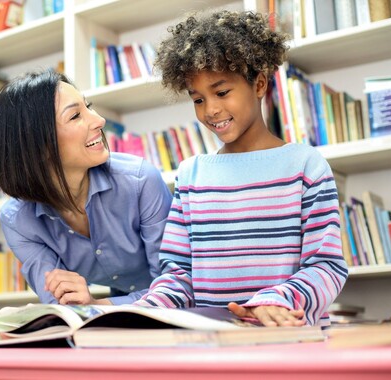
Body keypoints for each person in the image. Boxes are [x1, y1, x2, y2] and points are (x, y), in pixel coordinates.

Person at [134, 10, 348, 327]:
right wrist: (146, 308)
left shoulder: (305, 166)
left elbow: (326, 265)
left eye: (221, 92)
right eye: (198, 99)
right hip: (214, 345)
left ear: (259, 84)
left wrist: (276, 300)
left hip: (289, 338)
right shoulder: (192, 174)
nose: (211, 110)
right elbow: (179, 274)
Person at [0, 69, 172, 305]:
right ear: (39, 146)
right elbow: (61, 303)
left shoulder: (139, 180)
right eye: (75, 116)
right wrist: (82, 305)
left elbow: (174, 286)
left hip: (177, 312)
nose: (99, 120)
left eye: (89, 106)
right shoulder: (18, 221)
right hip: (124, 314)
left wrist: (98, 306)